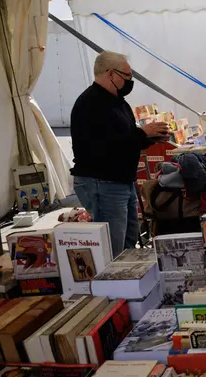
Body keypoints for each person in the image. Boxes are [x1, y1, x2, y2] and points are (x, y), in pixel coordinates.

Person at [71, 51, 169, 257]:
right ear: (110, 74)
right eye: (127, 76)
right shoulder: (91, 103)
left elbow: (125, 137)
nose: (130, 82)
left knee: (128, 240)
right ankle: (114, 286)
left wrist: (150, 137)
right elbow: (106, 145)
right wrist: (143, 133)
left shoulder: (117, 101)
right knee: (114, 246)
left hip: (120, 181)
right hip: (102, 182)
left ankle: (127, 282)